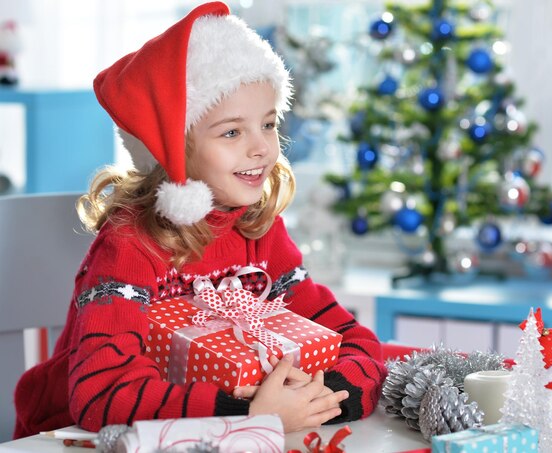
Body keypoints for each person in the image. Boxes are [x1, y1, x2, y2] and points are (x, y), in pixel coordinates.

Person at [13, 1, 386, 438]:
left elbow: (357, 343)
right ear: (173, 149)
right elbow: (102, 395)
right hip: (76, 438)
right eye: (232, 131)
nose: (262, 148)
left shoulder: (258, 230)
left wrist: (322, 397)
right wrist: (246, 416)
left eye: (268, 124)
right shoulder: (132, 243)